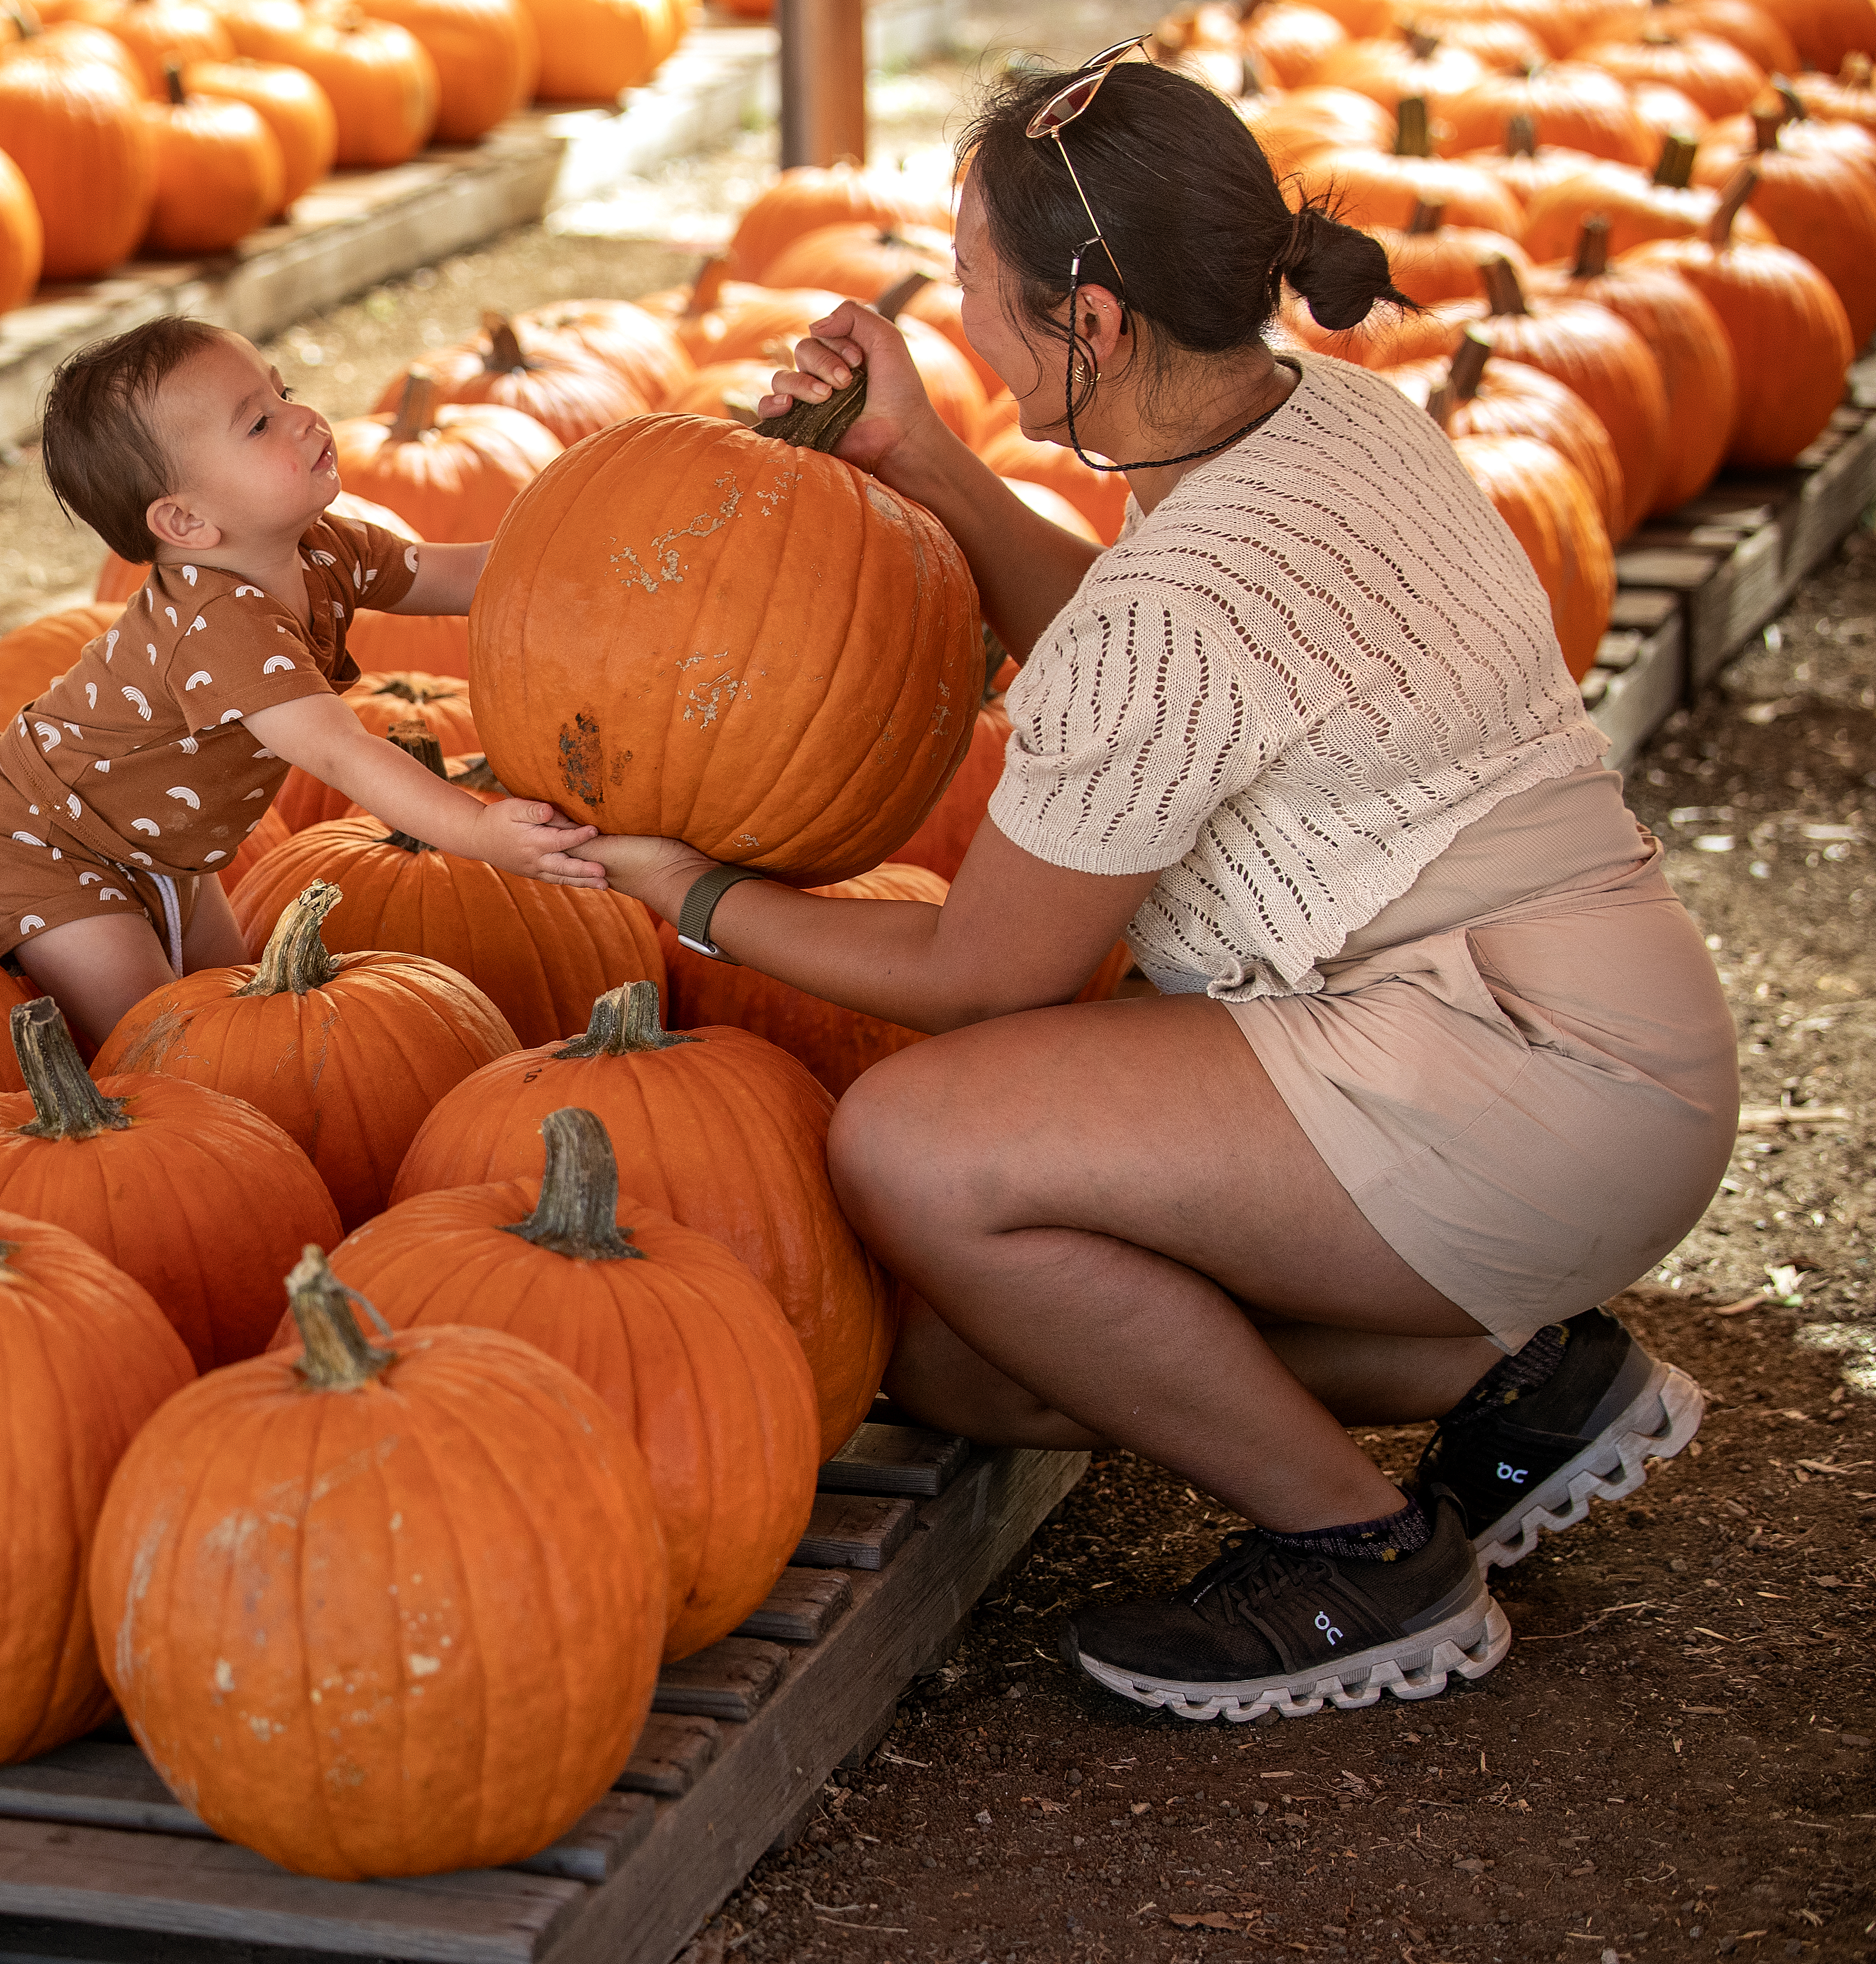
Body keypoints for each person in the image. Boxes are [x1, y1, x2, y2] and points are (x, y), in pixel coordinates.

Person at [579, 47, 1735, 1722]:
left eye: (975, 286)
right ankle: (1528, 1378)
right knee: (974, 1358)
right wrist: (932, 467)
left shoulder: (1177, 608)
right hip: (1598, 1055)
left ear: (1094, 325)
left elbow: (992, 977)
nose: (963, 319)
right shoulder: (1325, 420)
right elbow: (1172, 678)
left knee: (912, 1148)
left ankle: (1356, 1560)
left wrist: (688, 896)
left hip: (1514, 1083)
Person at [0, 319, 607, 1048]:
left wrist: (583, 546)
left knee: (230, 1012)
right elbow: (342, 755)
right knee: (160, 1040)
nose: (302, 417)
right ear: (185, 520)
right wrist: (478, 830)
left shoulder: (323, 552)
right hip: (53, 842)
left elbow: (460, 575)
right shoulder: (218, 624)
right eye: (261, 422)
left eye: (284, 390)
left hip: (164, 840)